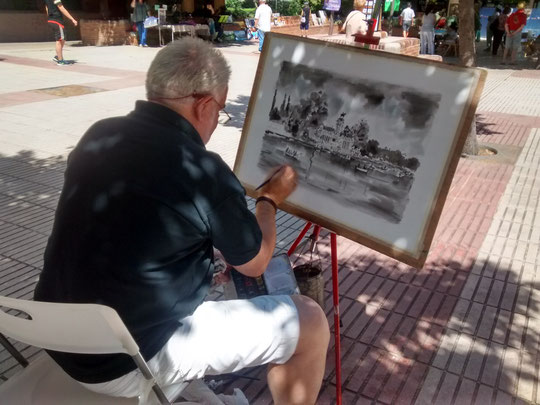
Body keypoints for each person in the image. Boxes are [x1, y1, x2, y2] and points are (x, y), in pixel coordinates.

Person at [33, 38, 330, 405]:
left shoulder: (100, 132)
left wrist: (200, 262)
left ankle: (193, 393)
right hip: (123, 361)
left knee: (213, 279)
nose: (217, 122)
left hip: (58, 335)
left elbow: (132, 225)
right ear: (204, 104)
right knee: (310, 322)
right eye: (220, 111)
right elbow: (255, 263)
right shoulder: (202, 169)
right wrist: (268, 200)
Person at [44, 0, 78, 66]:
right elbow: (61, 7)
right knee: (59, 40)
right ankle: (60, 61)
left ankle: (57, 56)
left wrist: (49, 16)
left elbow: (46, 7)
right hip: (56, 20)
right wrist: (72, 19)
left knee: (63, 38)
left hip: (52, 20)